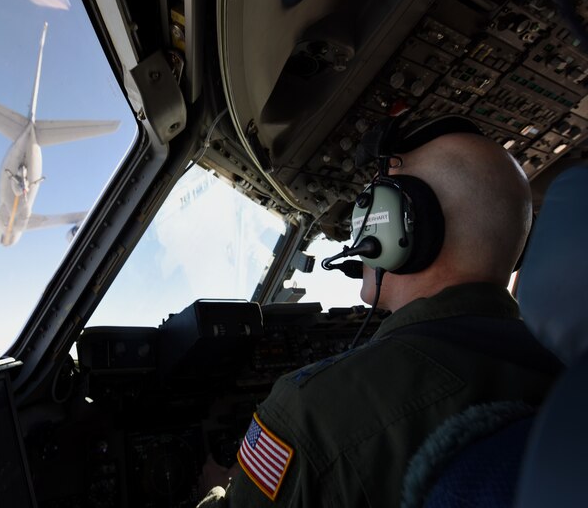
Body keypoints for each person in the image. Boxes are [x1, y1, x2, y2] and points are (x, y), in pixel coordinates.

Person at [197, 129, 563, 507]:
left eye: (369, 205)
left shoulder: (311, 411)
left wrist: (221, 490)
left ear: (401, 226)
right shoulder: (566, 368)